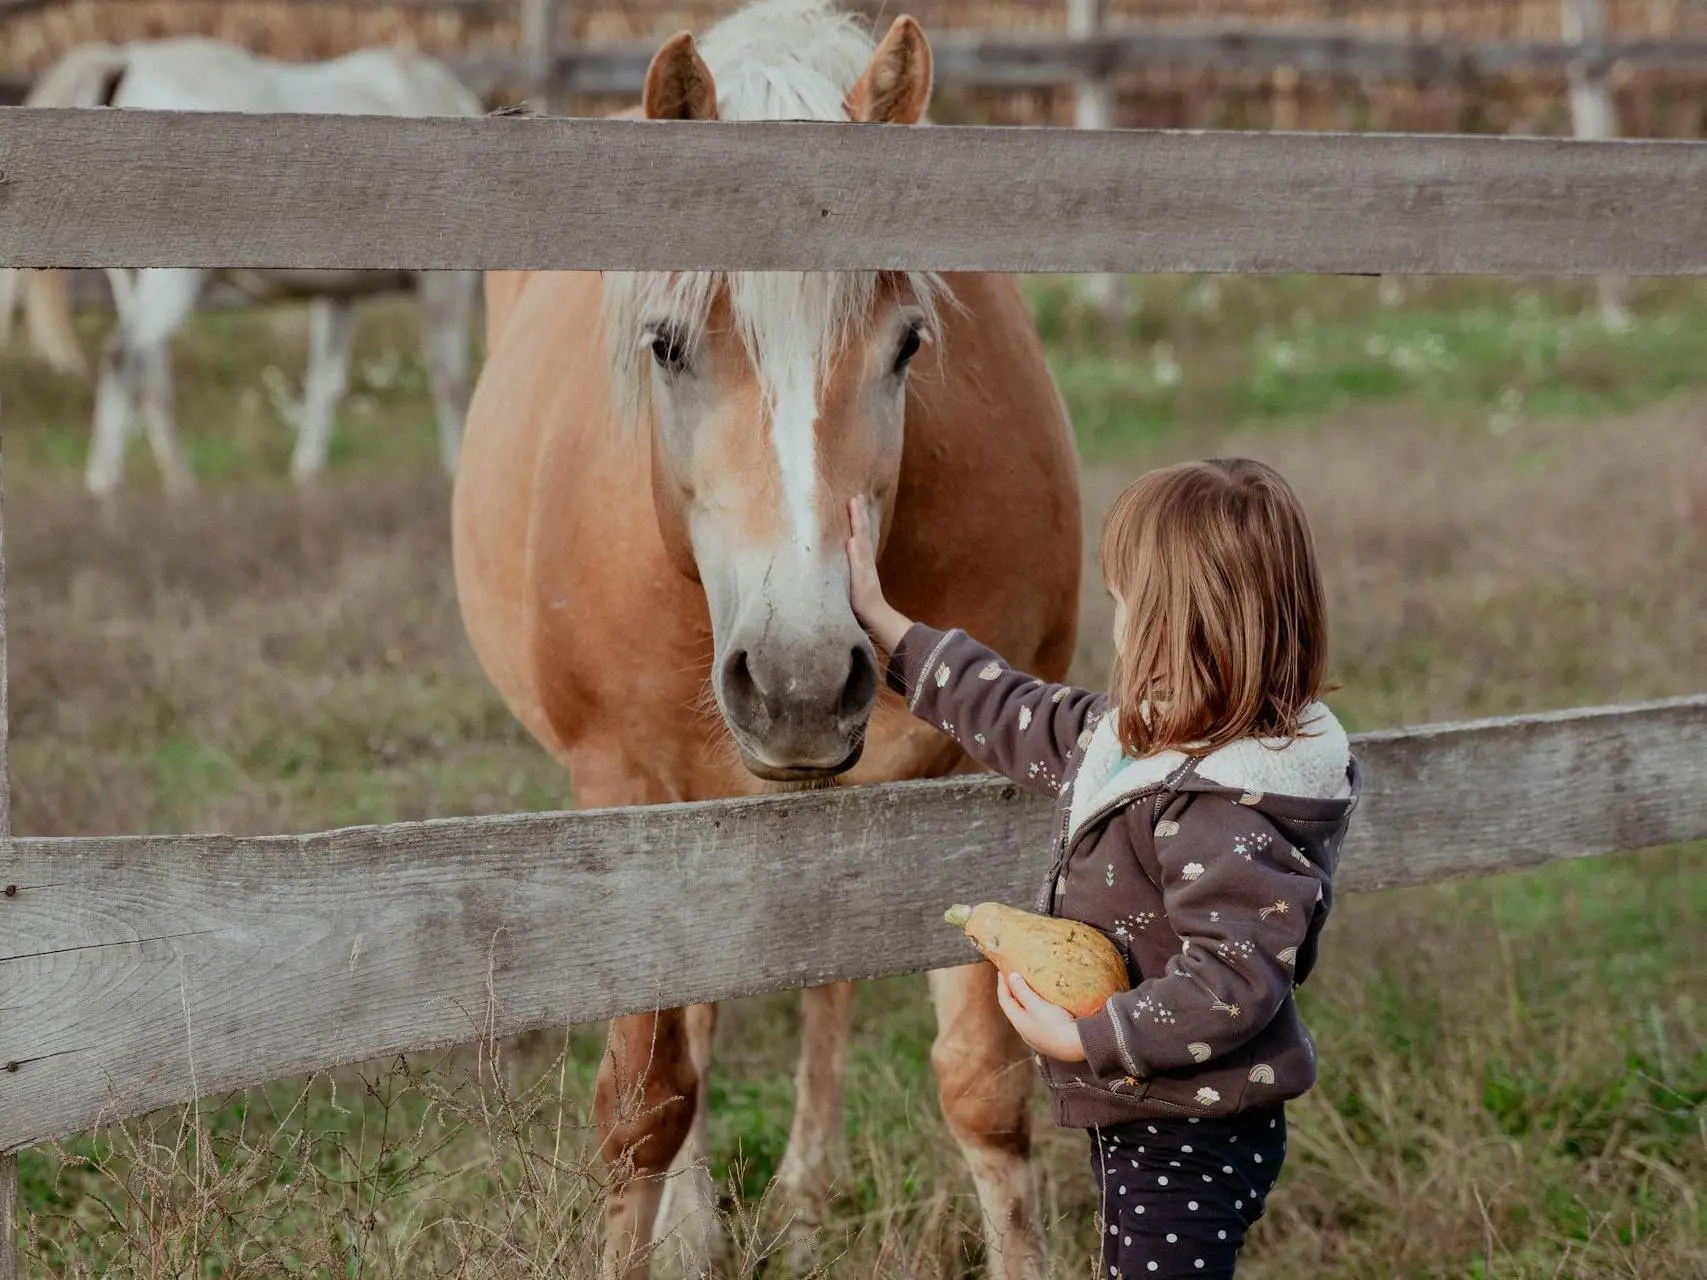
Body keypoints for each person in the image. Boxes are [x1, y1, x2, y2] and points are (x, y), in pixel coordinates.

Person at [845, 458, 1360, 1279]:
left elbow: (1231, 982)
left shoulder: (1225, 801)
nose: (1114, 626)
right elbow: (1017, 713)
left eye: (1123, 605)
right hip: (1156, 1108)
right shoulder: (1151, 741)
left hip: (1191, 1127)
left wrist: (1087, 1039)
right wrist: (885, 624)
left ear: (1169, 623)